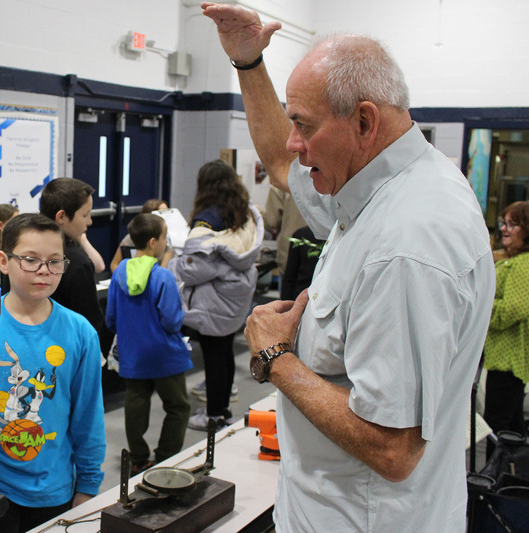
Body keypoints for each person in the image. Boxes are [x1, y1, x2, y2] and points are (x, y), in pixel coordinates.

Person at [201, 2, 495, 530]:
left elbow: (392, 447)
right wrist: (249, 64)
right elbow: (280, 162)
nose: (294, 143)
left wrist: (276, 356)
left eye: (304, 125)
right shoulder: (374, 186)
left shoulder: (407, 245)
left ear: (363, 120)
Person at [0, 213, 105, 533]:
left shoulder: (80, 333)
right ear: (3, 261)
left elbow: (88, 414)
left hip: (52, 488)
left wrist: (88, 484)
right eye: (31, 260)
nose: (44, 271)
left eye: (54, 261)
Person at [168, 159, 265, 431]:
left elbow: (194, 271)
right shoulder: (244, 215)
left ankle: (212, 417)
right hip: (236, 298)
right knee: (225, 354)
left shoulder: (206, 223)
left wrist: (176, 263)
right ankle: (223, 411)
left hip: (214, 303)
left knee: (213, 357)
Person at [106, 213, 192, 474]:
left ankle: (138, 459)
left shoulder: (120, 272)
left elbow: (111, 317)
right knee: (178, 406)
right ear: (154, 242)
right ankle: (165, 457)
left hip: (133, 356)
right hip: (165, 355)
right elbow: (171, 320)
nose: (167, 242)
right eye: (165, 237)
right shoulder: (163, 277)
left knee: (136, 404)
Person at [39, 178, 107, 351]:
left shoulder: (19, 250)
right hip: (65, 352)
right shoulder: (76, 262)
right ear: (61, 216)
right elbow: (90, 322)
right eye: (84, 215)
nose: (89, 222)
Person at [483, 201, 529, 455]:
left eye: (513, 224)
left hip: (508, 360)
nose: (505, 229)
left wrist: (481, 305)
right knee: (512, 429)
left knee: (496, 428)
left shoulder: (523, 265)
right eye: (504, 223)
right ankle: (515, 482)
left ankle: (493, 484)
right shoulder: (510, 260)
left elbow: (514, 309)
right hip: (502, 358)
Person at [109, 198, 174, 272]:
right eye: (162, 213)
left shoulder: (166, 239)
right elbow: (114, 264)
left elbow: (163, 270)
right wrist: (122, 278)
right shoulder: (132, 236)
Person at [261, 188, 305, 283]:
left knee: (288, 294)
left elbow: (271, 221)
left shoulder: (279, 186)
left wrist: (256, 210)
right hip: (321, 251)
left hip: (290, 254)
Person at [279, 225, 324, 301]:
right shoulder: (301, 235)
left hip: (305, 299)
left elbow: (289, 278)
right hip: (302, 300)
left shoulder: (301, 235)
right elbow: (289, 278)